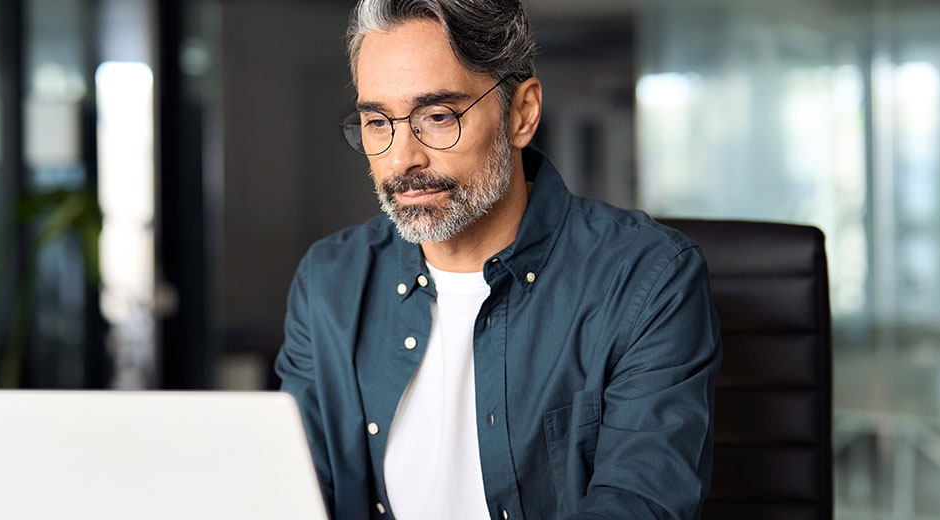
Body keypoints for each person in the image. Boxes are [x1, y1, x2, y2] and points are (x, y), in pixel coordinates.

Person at [274, 1, 721, 519]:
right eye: (378, 122)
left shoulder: (648, 277)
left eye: (438, 117)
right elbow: (291, 491)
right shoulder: (330, 280)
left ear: (521, 114)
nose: (401, 160)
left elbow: (640, 504)